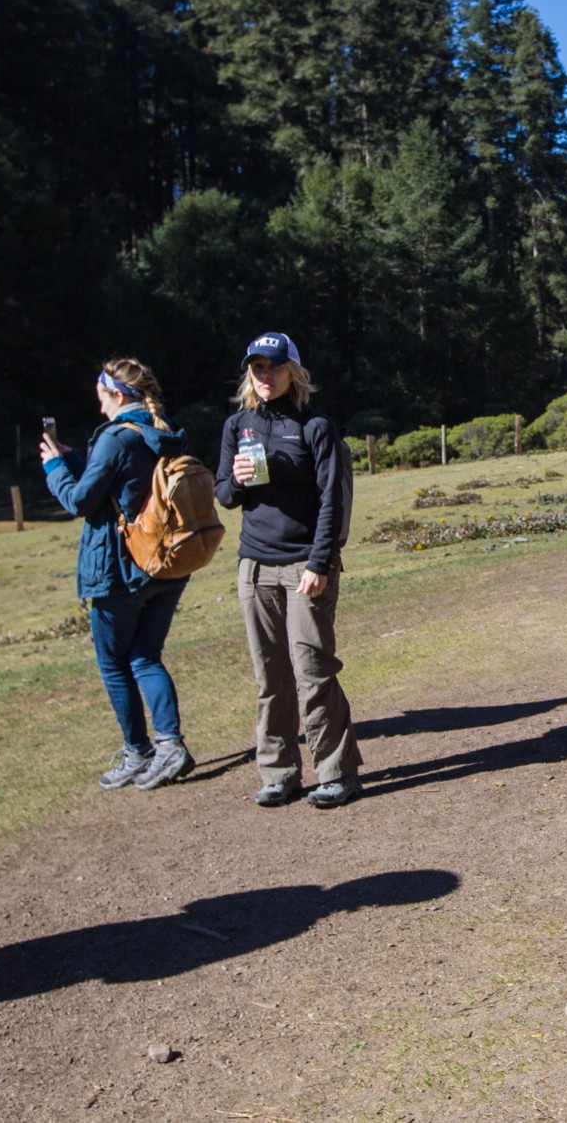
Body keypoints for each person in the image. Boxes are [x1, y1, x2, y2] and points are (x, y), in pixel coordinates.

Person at [214, 332, 363, 810]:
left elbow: (331, 501)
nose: (264, 376)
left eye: (273, 367)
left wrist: (320, 562)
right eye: (256, 368)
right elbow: (223, 495)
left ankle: (336, 772)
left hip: (305, 565)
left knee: (313, 672)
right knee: (269, 677)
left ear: (293, 371)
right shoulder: (238, 425)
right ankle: (279, 773)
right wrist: (235, 481)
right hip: (255, 567)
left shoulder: (317, 426)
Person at [41, 359, 195, 792]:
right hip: (166, 563)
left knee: (114, 663)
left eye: (103, 400)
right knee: (145, 657)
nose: (101, 409)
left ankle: (138, 750)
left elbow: (80, 502)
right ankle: (170, 745)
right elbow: (119, 485)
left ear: (119, 395)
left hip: (119, 570)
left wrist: (55, 467)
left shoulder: (113, 439)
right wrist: (77, 459)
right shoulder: (165, 430)